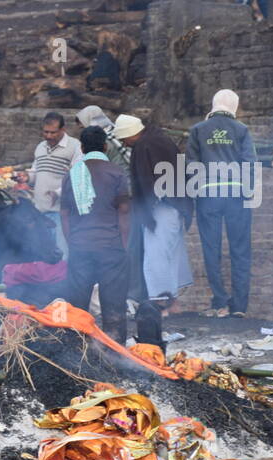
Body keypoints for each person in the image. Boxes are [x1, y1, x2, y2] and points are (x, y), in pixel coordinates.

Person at [187, 89, 257, 318]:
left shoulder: (198, 130)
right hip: (237, 196)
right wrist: (248, 194)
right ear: (233, 105)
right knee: (240, 251)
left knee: (211, 250)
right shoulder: (241, 130)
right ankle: (239, 307)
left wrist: (196, 192)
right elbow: (250, 164)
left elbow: (191, 166)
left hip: (209, 197)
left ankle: (219, 303)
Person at [59, 126, 132, 346]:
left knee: (78, 307)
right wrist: (124, 244)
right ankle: (115, 353)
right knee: (114, 307)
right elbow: (124, 211)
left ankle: (77, 353)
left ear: (81, 148)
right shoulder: (117, 172)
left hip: (80, 247)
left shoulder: (71, 175)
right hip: (111, 247)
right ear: (105, 147)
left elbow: (64, 215)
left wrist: (72, 243)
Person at [115, 114, 192, 315]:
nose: (124, 143)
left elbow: (148, 181)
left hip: (160, 208)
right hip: (175, 205)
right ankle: (173, 303)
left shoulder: (143, 146)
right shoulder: (162, 140)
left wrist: (147, 208)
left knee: (155, 255)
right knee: (170, 254)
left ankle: (160, 303)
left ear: (131, 134)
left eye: (124, 139)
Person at [30, 112, 81, 260]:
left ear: (62, 130)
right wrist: (27, 177)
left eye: (53, 132)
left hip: (61, 212)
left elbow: (78, 176)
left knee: (61, 253)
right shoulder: (40, 147)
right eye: (46, 132)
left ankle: (64, 282)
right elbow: (35, 172)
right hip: (39, 210)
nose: (49, 136)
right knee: (43, 255)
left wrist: (58, 193)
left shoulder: (74, 146)